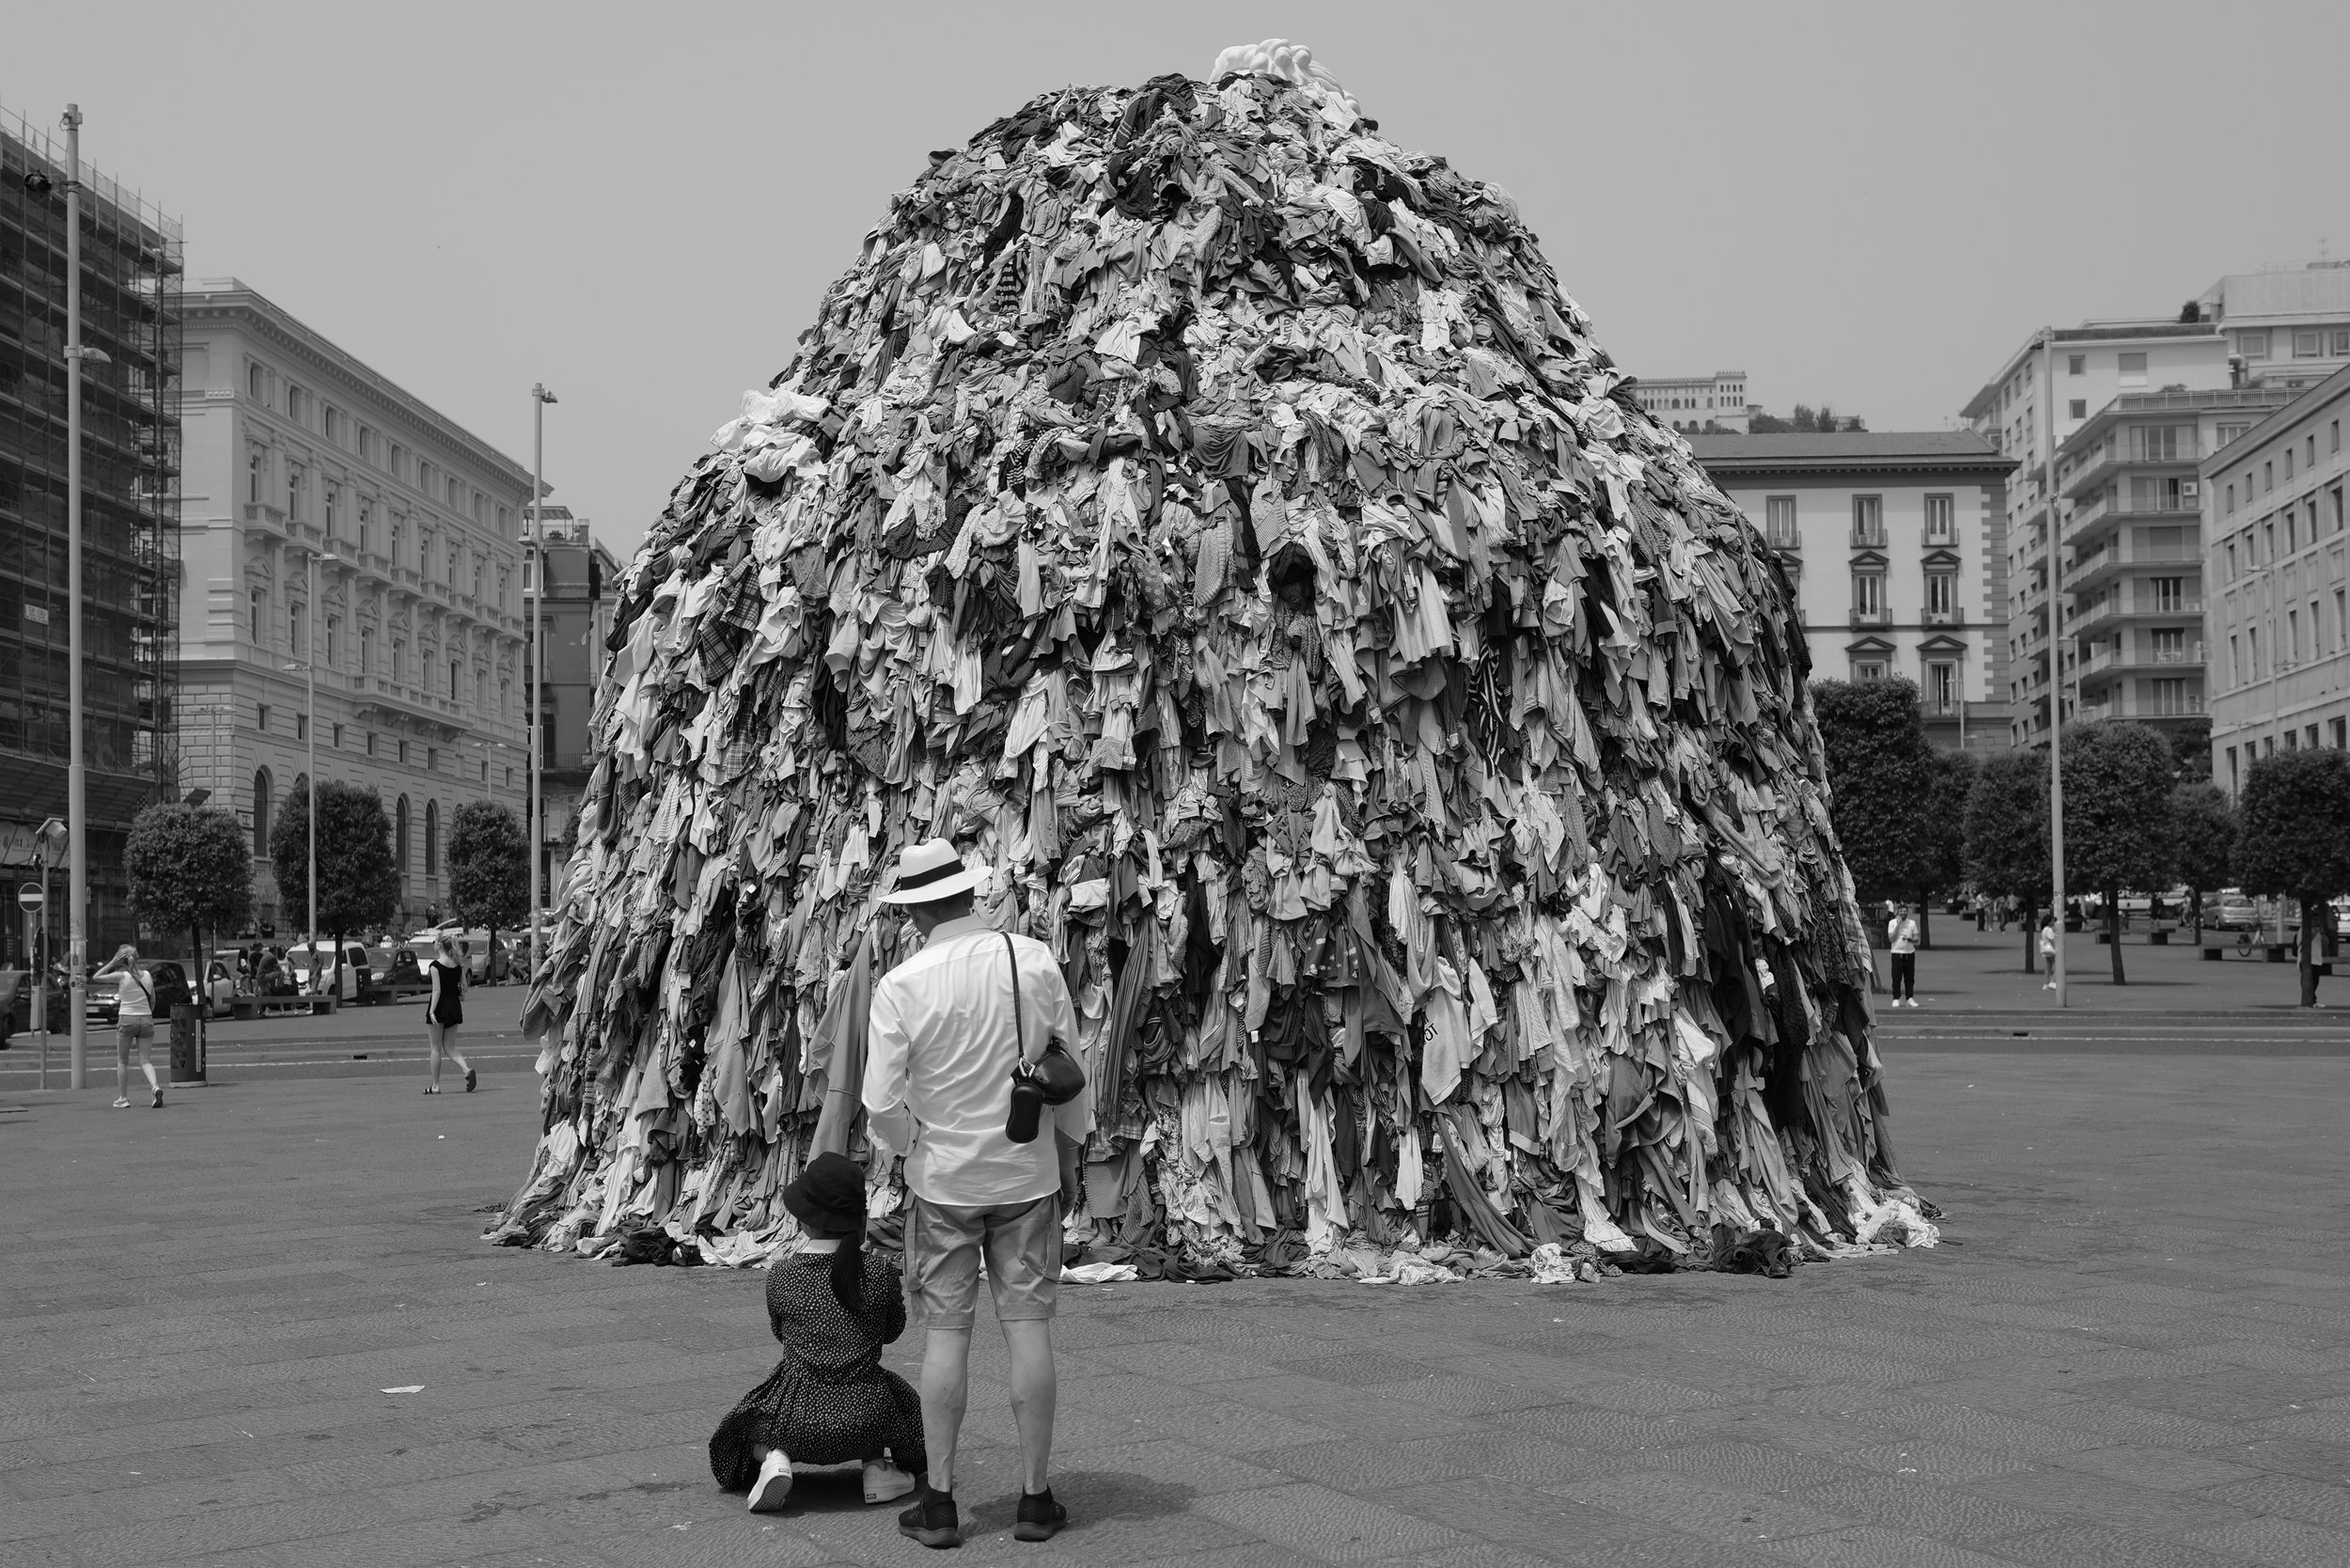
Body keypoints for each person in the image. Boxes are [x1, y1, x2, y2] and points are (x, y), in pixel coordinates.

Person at [862, 839, 1087, 1550]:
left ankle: (939, 1505)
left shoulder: (902, 985)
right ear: (967, 895)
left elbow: (878, 1105)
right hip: (1026, 1176)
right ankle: (1034, 1498)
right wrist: (1070, 1152)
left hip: (944, 1185)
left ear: (915, 910)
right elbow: (1070, 1068)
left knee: (946, 1337)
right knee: (1028, 1330)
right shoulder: (1033, 959)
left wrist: (913, 1145)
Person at [709, 1152, 925, 1513]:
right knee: (905, 1407)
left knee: (739, 1430)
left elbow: (782, 1333)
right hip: (868, 1418)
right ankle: (875, 1467)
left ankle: (775, 1458)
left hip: (796, 1421)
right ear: (858, 1219)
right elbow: (892, 1332)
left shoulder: (781, 1274)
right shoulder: (879, 1272)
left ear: (806, 1222)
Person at [93, 943, 162, 1109]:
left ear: (121, 960)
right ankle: (155, 1087)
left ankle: (123, 1098)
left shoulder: (121, 976)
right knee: (145, 1060)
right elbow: (152, 1000)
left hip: (127, 1019)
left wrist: (111, 962)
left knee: (122, 1061)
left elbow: (96, 977)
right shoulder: (147, 975)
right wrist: (147, 1014)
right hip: (146, 1019)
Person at [424, 934, 474, 1093]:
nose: (434, 944)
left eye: (435, 942)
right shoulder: (457, 966)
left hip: (439, 1007)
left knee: (435, 1048)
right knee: (450, 1047)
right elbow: (463, 989)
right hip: (454, 1006)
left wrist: (431, 1011)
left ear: (440, 945)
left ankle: (436, 1085)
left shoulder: (435, 966)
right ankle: (466, 1069)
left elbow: (437, 990)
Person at [1887, 904, 1920, 1007]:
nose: (1903, 913)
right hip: (1897, 953)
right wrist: (1898, 924)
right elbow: (1891, 938)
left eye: (1905, 911)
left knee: (1909, 978)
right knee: (1896, 977)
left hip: (1909, 953)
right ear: (1897, 912)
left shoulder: (1912, 923)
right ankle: (1896, 998)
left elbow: (1917, 938)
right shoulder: (1892, 923)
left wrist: (1910, 938)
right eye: (1901, 911)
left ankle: (1909, 998)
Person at [2040, 915, 2059, 989]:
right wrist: (2056, 949)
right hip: (2051, 949)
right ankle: (2053, 981)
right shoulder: (2049, 930)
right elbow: (2052, 940)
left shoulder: (2044, 929)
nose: (2054, 922)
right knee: (2058, 966)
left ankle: (2046, 983)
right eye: (2052, 921)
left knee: (2048, 967)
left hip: (2046, 950)